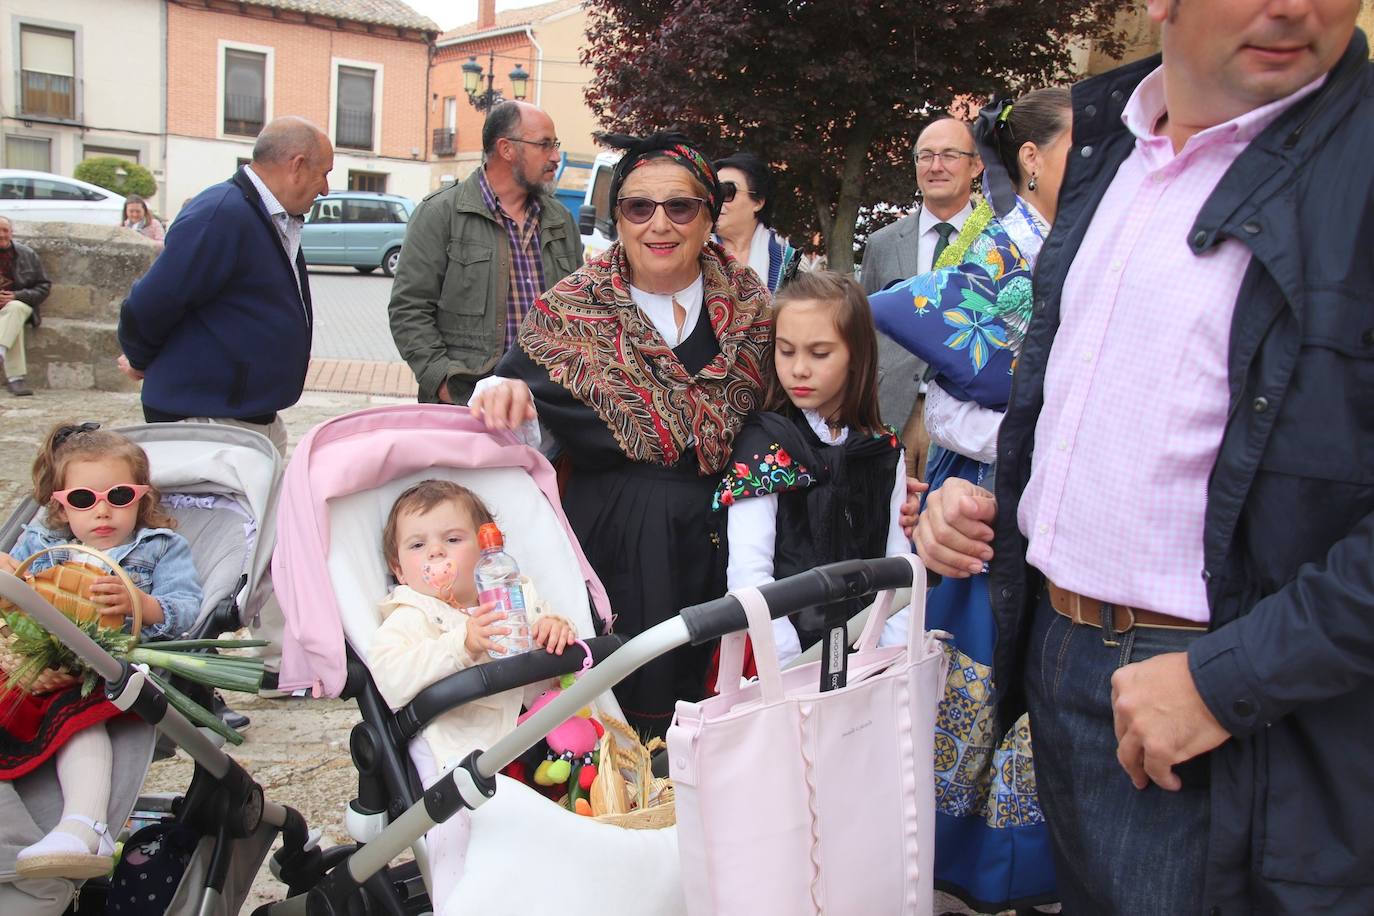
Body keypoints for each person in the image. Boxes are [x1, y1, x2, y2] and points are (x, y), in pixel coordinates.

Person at [917, 3, 1374, 913]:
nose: (1294, 7)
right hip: (1059, 656)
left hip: (1234, 705)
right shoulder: (1109, 151)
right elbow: (1104, 398)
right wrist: (1011, 505)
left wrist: (1225, 682)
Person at [469, 132, 773, 737]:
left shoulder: (753, 307)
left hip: (735, 539)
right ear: (619, 219)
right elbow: (511, 399)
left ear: (709, 216)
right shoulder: (570, 313)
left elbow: (796, 410)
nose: (659, 224)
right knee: (628, 723)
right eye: (639, 207)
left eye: (680, 207)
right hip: (620, 548)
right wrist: (500, 394)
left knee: (724, 721)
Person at [871, 87, 1071, 913]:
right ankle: (958, 867)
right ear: (1030, 157)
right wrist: (1052, 422)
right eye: (1079, 150)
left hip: (1052, 495)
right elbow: (948, 393)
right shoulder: (998, 249)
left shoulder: (1080, 243)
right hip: (989, 495)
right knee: (974, 679)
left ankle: (1029, 863)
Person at [0, 423, 201, 880]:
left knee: (78, 713)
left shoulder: (159, 547)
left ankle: (86, 822)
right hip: (44, 666)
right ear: (60, 504)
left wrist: (142, 605)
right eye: (84, 500)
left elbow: (188, 610)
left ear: (142, 498)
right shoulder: (42, 546)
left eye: (120, 496)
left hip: (117, 671)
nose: (103, 511)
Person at [713, 270, 907, 670]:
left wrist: (888, 648)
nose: (799, 369)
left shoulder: (882, 450)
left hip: (869, 655)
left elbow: (897, 562)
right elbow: (750, 571)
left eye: (819, 354)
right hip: (777, 659)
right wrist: (788, 658)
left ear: (857, 356)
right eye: (786, 351)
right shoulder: (765, 446)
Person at [117, 116, 333, 455]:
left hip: (241, 416)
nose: (325, 188)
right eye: (325, 173)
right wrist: (140, 358)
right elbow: (149, 304)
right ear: (298, 166)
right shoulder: (222, 213)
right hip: (207, 417)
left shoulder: (264, 215)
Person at [368, 480, 576, 770]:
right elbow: (391, 680)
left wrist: (556, 630)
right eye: (418, 545)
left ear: (486, 550)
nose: (436, 551)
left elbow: (553, 646)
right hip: (468, 753)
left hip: (542, 737)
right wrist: (461, 645)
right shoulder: (410, 617)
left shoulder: (517, 595)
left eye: (452, 540)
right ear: (399, 570)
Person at [389, 101, 582, 406]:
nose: (555, 157)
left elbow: (581, 311)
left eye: (554, 145)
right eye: (545, 145)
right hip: (468, 408)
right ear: (506, 149)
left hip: (547, 409)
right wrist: (444, 384)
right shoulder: (440, 214)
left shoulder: (560, 220)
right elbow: (409, 311)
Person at [862, 118, 983, 478]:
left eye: (949, 155)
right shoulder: (882, 243)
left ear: (976, 164)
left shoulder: (999, 241)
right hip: (890, 412)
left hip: (966, 416)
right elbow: (864, 332)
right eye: (925, 156)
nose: (936, 166)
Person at [712, 152, 798, 293]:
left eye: (727, 192)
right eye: (713, 193)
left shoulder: (789, 261)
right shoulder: (693, 254)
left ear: (758, 202)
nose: (717, 201)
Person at [0, 215, 52, 397]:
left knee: (14, 309)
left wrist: (16, 295)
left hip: (21, 305)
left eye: (5, 230)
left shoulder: (27, 254)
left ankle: (1, 351)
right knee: (14, 325)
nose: (2, 235)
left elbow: (44, 287)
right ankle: (15, 379)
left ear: (11, 232)